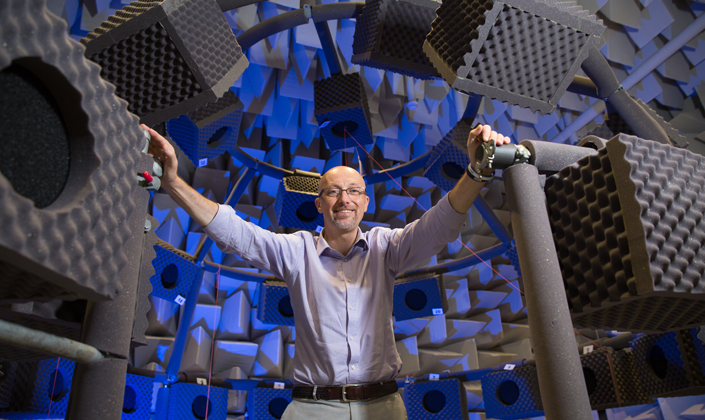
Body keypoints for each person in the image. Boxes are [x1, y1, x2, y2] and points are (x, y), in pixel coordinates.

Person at [142, 123, 510, 419]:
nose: (344, 199)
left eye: (353, 191)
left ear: (365, 202)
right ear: (319, 203)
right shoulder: (295, 250)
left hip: (382, 407)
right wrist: (173, 182)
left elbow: (440, 224)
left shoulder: (388, 248)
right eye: (333, 192)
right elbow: (235, 233)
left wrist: (476, 171)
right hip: (311, 408)